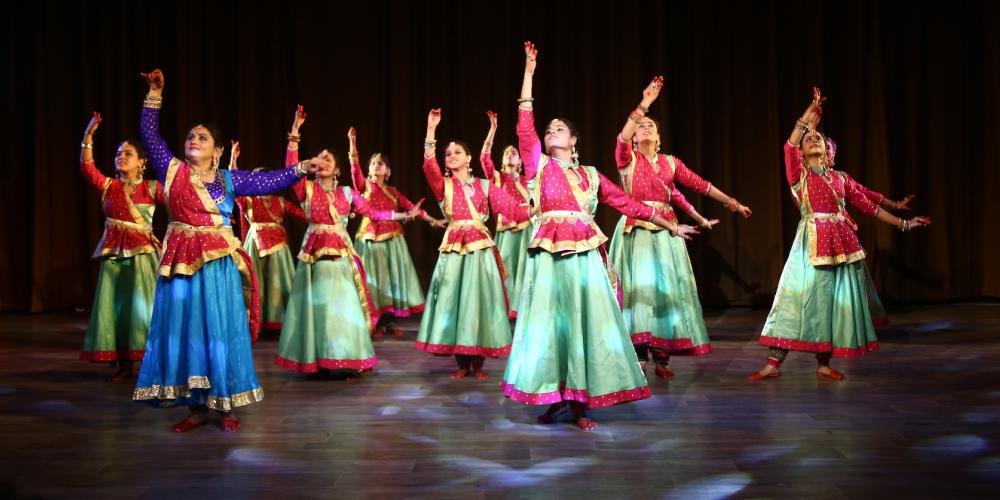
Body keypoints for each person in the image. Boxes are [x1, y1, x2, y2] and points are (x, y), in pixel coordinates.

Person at [500, 42, 698, 430]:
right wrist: (529, 71)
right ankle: (554, 395)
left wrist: (672, 225)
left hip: (586, 257)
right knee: (550, 325)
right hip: (550, 255)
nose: (551, 130)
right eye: (549, 128)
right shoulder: (537, 167)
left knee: (582, 324)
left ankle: (578, 402)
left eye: (560, 127)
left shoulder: (591, 175)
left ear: (574, 140)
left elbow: (630, 205)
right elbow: (525, 125)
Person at [132, 69, 328, 432]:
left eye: (202, 138)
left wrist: (302, 167)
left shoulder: (229, 180)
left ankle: (225, 406)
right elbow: (149, 135)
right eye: (191, 135)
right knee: (186, 329)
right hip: (180, 264)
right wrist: (155, 95)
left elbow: (270, 180)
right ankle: (193, 407)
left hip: (219, 264)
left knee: (220, 329)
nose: (194, 139)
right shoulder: (171, 170)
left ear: (217, 151)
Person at [748, 88, 931, 381]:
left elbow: (870, 207)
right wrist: (807, 116)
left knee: (830, 303)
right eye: (809, 139)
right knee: (793, 300)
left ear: (829, 153)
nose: (813, 139)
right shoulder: (799, 177)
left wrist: (904, 223)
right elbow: (789, 145)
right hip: (810, 243)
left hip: (842, 243)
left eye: (818, 137)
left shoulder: (841, 179)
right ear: (803, 154)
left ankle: (823, 363)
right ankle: (773, 363)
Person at [608, 76, 752, 379]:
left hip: (666, 234)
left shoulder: (671, 163)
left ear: (659, 137)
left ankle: (662, 357)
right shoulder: (627, 160)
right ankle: (638, 355)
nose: (645, 128)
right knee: (637, 293)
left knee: (666, 292)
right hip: (636, 232)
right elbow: (621, 139)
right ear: (634, 137)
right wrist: (644, 104)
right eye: (641, 126)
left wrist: (732, 203)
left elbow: (701, 185)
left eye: (651, 125)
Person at [276, 107, 422, 376]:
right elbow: (290, 168)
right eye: (319, 158)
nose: (324, 161)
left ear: (338, 169)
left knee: (342, 313)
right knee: (316, 312)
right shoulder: (305, 188)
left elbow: (375, 214)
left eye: (329, 159)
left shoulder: (347, 193)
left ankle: (346, 360)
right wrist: (295, 131)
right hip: (315, 260)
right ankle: (318, 360)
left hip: (341, 259)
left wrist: (404, 213)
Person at [415, 108, 532, 380]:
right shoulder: (442, 184)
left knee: (479, 302)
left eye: (457, 152)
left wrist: (538, 209)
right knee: (455, 302)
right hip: (455, 249)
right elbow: (428, 164)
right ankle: (461, 361)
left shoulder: (485, 185)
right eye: (448, 153)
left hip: (480, 249)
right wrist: (431, 129)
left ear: (468, 158)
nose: (452, 155)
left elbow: (513, 209)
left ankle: (478, 362)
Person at [78, 112, 163, 381]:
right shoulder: (109, 186)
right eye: (118, 153)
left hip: (143, 257)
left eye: (128, 153)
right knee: (115, 308)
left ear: (142, 163)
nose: (121, 156)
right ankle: (125, 365)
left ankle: (150, 365)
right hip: (114, 253)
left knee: (142, 309)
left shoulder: (152, 188)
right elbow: (87, 168)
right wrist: (88, 137)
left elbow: (183, 205)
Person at [347, 125, 446, 336]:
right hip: (370, 240)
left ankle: (389, 322)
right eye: (373, 163)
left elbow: (412, 208)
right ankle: (374, 322)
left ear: (388, 171)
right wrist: (352, 145)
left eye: (380, 163)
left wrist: (433, 220)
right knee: (373, 281)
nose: (375, 165)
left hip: (392, 241)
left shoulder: (392, 191)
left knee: (391, 281)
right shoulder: (363, 186)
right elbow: (355, 169)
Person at [229, 138, 306, 333]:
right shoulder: (247, 201)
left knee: (277, 283)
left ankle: (279, 322)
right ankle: (255, 321)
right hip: (254, 243)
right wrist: (233, 159)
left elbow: (302, 214)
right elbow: (233, 181)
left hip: (278, 247)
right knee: (255, 283)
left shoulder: (280, 202)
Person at [479, 111, 532, 317]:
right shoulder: (497, 178)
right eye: (507, 152)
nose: (510, 154)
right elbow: (484, 158)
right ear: (502, 160)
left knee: (525, 270)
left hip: (527, 231)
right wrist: (493, 130)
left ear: (520, 161)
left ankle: (524, 308)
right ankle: (504, 308)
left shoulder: (528, 181)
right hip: (506, 232)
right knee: (506, 271)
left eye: (514, 152)